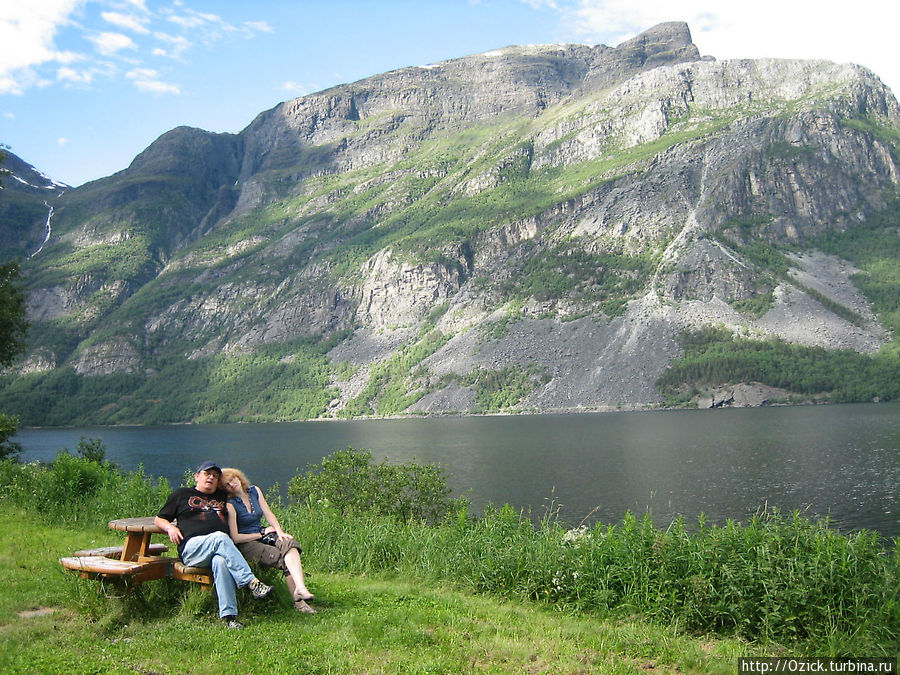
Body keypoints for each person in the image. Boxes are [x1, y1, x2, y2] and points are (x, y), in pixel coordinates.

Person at [154, 460, 273, 629]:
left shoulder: (222, 497)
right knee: (220, 537)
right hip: (192, 549)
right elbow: (159, 518)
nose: (211, 477)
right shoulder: (182, 494)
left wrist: (266, 529)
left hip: (219, 550)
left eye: (215, 476)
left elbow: (242, 493)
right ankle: (252, 582)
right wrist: (170, 528)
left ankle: (230, 617)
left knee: (221, 562)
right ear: (197, 476)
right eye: (207, 474)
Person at [221, 467, 315, 614]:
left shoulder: (254, 491)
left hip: (264, 533)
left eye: (233, 479)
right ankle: (300, 604)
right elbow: (236, 537)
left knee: (289, 544)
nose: (232, 484)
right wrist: (260, 533)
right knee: (281, 559)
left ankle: (301, 588)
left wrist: (279, 531)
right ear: (225, 489)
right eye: (227, 484)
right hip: (247, 542)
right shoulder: (231, 505)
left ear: (239, 477)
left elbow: (268, 513)